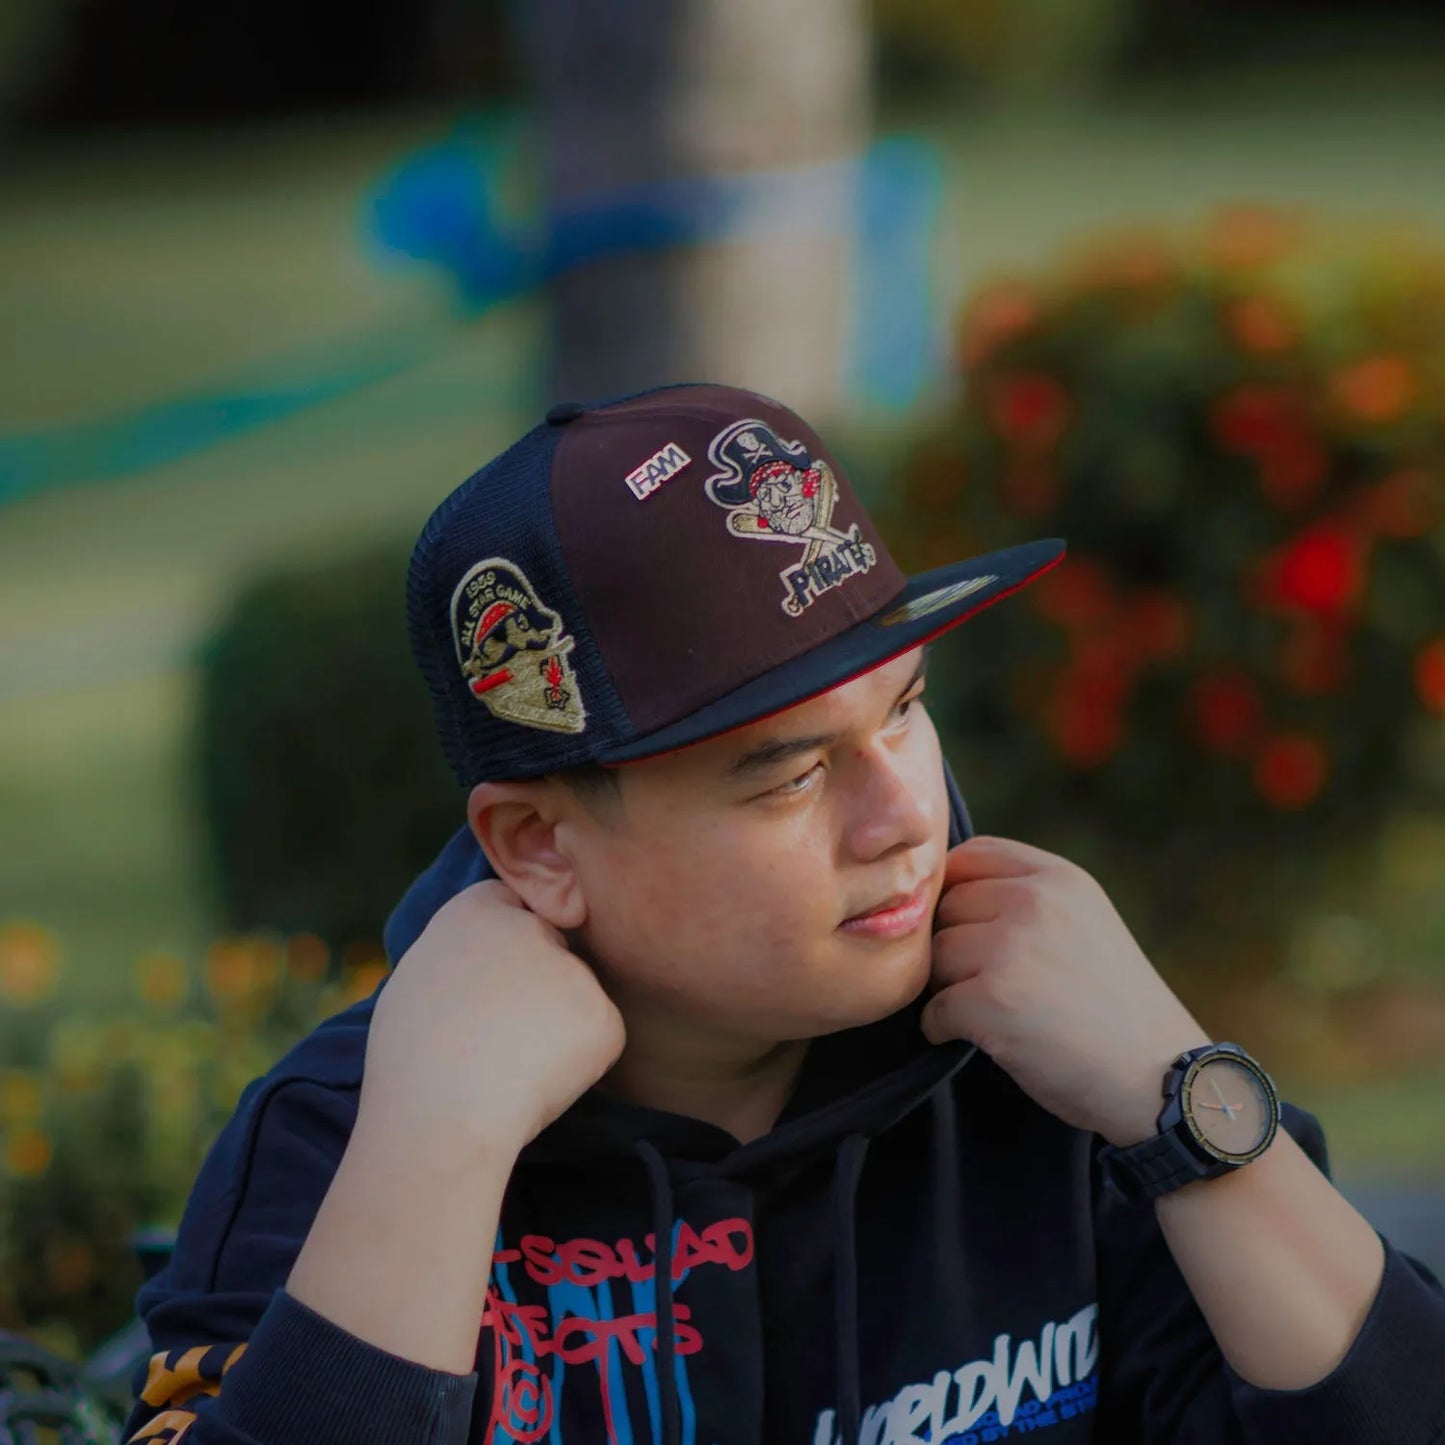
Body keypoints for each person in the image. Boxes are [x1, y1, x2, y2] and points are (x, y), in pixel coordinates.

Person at [125, 384, 1445, 1445]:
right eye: (790, 775)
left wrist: (1181, 1102)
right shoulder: (350, 1136)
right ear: (539, 846)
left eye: (903, 709)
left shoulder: (1054, 1064)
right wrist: (437, 1147)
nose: (902, 818)